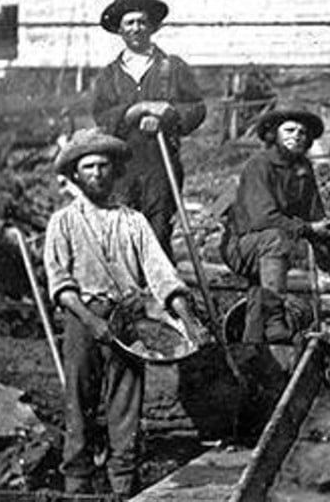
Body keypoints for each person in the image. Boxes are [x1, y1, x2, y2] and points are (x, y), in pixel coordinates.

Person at [44, 128, 209, 497]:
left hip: (128, 321)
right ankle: (78, 485)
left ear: (115, 171)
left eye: (104, 166)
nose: (97, 174)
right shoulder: (64, 222)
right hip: (83, 318)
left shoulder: (133, 222)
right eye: (88, 168)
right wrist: (92, 322)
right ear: (75, 175)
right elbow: (60, 284)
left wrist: (188, 319)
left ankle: (124, 487)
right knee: (79, 403)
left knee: (126, 408)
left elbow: (162, 275)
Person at [219, 107, 330, 347]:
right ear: (274, 135)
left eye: (302, 132)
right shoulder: (259, 166)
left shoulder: (303, 169)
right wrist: (310, 229)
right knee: (277, 239)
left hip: (270, 247)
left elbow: (317, 218)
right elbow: (264, 218)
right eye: (289, 130)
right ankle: (274, 322)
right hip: (242, 245)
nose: (297, 136)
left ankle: (254, 350)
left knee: (259, 295)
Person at [92, 0, 206, 260]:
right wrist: (135, 111)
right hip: (121, 166)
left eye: (141, 22)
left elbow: (197, 107)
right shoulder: (109, 75)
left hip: (160, 162)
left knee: (157, 231)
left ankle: (161, 295)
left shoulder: (172, 67)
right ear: (119, 30)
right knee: (122, 229)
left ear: (152, 27)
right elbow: (102, 116)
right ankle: (128, 294)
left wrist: (169, 114)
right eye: (129, 23)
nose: (136, 29)